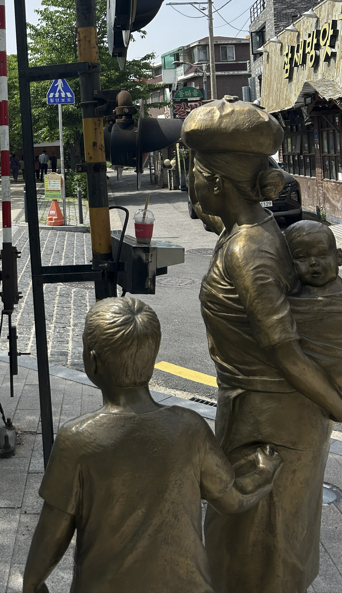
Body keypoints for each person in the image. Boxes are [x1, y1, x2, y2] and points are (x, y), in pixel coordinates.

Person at [183, 96, 342, 593]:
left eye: (195, 175)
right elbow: (222, 216)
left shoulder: (248, 251)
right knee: (257, 545)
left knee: (259, 555)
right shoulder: (252, 228)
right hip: (261, 414)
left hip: (270, 425)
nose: (190, 183)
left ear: (216, 181)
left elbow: (286, 352)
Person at [23, 297, 282, 593]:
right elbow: (232, 499)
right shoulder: (191, 428)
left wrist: (32, 583)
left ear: (92, 361)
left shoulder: (76, 439)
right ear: (152, 359)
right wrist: (264, 472)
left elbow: (51, 535)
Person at [285, 220, 342, 387]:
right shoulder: (288, 304)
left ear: (338, 256)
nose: (313, 262)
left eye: (322, 254)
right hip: (312, 385)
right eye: (301, 257)